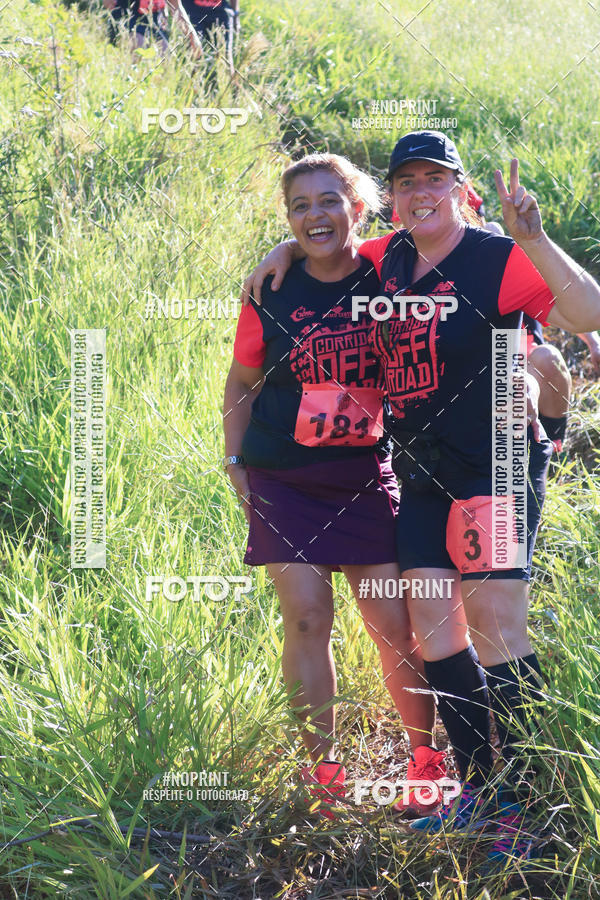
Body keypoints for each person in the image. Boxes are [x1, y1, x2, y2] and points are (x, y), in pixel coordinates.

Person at [239, 131, 600, 862]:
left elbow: (586, 313)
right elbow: (324, 250)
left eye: (435, 178)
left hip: (494, 459)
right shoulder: (386, 260)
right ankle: (479, 786)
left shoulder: (498, 258)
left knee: (496, 624)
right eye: (406, 181)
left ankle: (526, 802)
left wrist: (534, 238)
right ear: (391, 199)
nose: (419, 192)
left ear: (463, 191)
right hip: (422, 468)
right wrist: (272, 257)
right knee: (436, 629)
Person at [223, 152, 453, 820]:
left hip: (360, 475)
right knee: (306, 617)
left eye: (330, 201)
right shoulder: (270, 289)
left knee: (391, 623)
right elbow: (241, 383)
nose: (314, 216)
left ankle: (426, 761)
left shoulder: (394, 271)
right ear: (287, 218)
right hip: (281, 475)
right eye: (298, 207)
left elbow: (440, 234)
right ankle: (322, 770)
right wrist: (235, 462)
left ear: (358, 206)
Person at [468, 186, 600, 455]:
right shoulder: (439, 270)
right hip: (475, 370)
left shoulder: (513, 260)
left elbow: (565, 303)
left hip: (525, 361)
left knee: (547, 357)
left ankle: (549, 449)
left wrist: (594, 343)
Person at [168, 0, 238, 72]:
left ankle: (226, 81)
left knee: (225, 56)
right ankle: (194, 81)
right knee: (194, 54)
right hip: (192, 10)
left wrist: (235, 15)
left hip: (220, 10)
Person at [103, 0, 170, 54]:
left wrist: (164, 13)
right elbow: (108, 4)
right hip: (127, 16)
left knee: (166, 54)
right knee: (138, 46)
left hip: (154, 19)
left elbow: (176, 8)